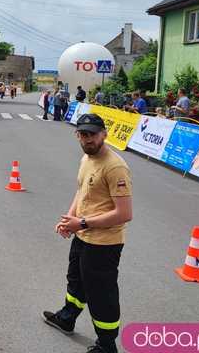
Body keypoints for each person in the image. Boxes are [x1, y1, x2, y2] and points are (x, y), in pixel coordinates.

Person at [43, 113, 133, 353]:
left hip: (104, 243)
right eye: (83, 134)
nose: (87, 139)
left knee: (101, 293)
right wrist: (68, 219)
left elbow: (124, 213)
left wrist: (80, 223)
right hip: (83, 235)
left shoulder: (115, 167)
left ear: (104, 134)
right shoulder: (87, 158)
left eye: (92, 134)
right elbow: (81, 191)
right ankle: (67, 317)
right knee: (76, 280)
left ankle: (106, 344)